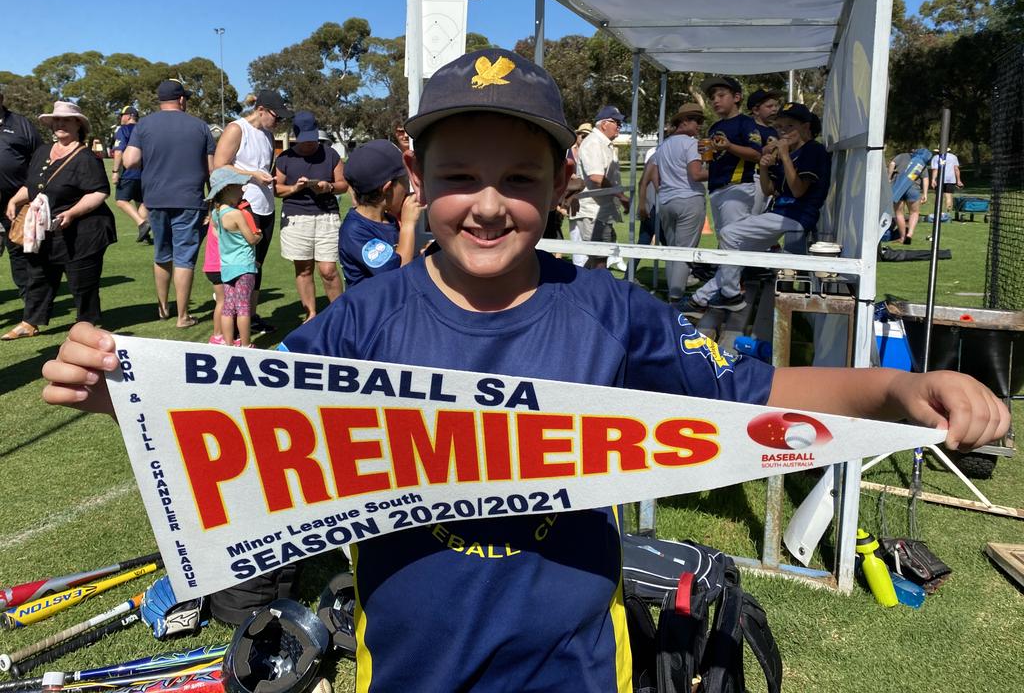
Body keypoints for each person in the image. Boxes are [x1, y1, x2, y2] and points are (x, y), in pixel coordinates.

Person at [39, 48, 1010, 693]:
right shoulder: (364, 321)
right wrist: (119, 395)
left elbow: (752, 395)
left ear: (562, 185)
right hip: (409, 667)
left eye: (521, 178)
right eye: (460, 176)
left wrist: (893, 391)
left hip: (578, 665)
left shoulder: (609, 309)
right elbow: (242, 427)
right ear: (417, 179)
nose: (490, 204)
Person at [701, 102, 831, 312]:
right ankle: (700, 298)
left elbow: (798, 190)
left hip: (797, 215)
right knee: (737, 252)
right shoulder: (786, 153)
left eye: (790, 126)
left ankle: (731, 295)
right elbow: (769, 189)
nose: (783, 132)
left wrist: (785, 155)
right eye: (779, 127)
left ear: (806, 128)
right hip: (780, 213)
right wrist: (763, 167)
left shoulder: (813, 150)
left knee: (729, 233)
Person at [3, 102, 115, 339]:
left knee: (82, 280)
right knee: (39, 275)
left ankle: (87, 324)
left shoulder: (86, 157)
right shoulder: (43, 151)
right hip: (47, 229)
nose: (60, 124)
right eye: (56, 120)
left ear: (78, 124)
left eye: (66, 120)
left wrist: (72, 213)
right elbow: (32, 185)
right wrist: (15, 199)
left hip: (83, 231)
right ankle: (29, 322)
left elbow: (99, 192)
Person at [124, 79, 215, 327]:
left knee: (161, 254)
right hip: (190, 199)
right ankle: (183, 315)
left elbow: (130, 160)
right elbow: (211, 169)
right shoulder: (200, 126)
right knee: (184, 256)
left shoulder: (144, 125)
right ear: (182, 99)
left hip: (155, 198)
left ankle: (163, 307)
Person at [213, 90, 293, 334]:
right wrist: (252, 175)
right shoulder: (237, 129)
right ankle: (235, 322)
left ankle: (251, 315)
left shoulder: (269, 135)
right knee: (241, 265)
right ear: (260, 110)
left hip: (265, 205)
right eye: (275, 116)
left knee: (256, 266)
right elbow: (219, 167)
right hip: (243, 206)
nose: (278, 121)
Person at [685, 76, 764, 314]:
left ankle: (718, 295)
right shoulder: (714, 127)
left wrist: (728, 147)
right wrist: (705, 153)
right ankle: (721, 294)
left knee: (732, 247)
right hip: (718, 190)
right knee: (728, 247)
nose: (715, 101)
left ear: (737, 97)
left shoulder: (745, 124)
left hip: (737, 189)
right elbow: (713, 162)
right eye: (712, 97)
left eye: (721, 95)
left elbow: (757, 155)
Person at [273, 111, 347, 320]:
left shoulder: (330, 154)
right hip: (296, 218)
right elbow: (276, 189)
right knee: (304, 269)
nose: (309, 145)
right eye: (304, 140)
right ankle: (311, 315)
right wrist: (295, 188)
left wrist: (328, 186)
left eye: (312, 139)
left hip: (326, 217)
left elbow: (343, 184)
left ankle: (338, 315)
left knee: (328, 270)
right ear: (296, 135)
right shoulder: (285, 158)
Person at [637, 103, 708, 305]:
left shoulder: (662, 146)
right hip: (689, 200)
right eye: (697, 120)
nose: (699, 125)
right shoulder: (691, 143)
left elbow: (654, 178)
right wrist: (721, 173)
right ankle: (675, 299)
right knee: (684, 252)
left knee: (671, 250)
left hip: (667, 202)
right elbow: (696, 174)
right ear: (684, 122)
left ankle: (673, 294)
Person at [338, 139, 422, 288]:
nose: (408, 190)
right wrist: (408, 226)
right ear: (388, 188)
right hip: (372, 310)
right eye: (405, 182)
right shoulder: (355, 232)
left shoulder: (387, 219)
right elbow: (397, 277)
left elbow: (398, 256)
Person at [207, 168, 260, 348]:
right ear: (228, 189)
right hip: (244, 266)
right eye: (239, 186)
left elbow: (216, 233)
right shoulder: (236, 214)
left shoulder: (215, 214)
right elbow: (251, 238)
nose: (242, 190)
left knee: (228, 307)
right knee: (243, 307)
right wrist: (258, 236)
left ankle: (229, 344)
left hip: (227, 267)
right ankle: (245, 345)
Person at [0, 87, 43, 296]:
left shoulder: (20, 124)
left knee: (19, 249)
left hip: (16, 199)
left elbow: (40, 157)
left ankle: (30, 303)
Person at [577, 105, 627, 269]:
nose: (619, 127)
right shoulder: (593, 143)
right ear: (604, 124)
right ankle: (599, 291)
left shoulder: (603, 144)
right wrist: (621, 196)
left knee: (599, 257)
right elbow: (596, 177)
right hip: (593, 212)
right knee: (599, 258)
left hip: (603, 211)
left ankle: (584, 289)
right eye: (616, 123)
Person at [110, 106, 150, 243]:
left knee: (121, 201)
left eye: (122, 115)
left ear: (129, 116)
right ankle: (145, 234)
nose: (121, 118)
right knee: (141, 202)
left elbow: (119, 152)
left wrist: (115, 171)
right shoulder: (144, 130)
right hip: (145, 173)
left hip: (129, 173)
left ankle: (142, 223)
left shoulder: (123, 130)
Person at [565, 122, 592, 267]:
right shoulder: (569, 151)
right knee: (575, 234)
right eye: (582, 135)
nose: (584, 137)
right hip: (569, 197)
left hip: (584, 200)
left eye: (588, 135)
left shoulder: (588, 151)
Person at [888, 148, 927, 244]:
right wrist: (925, 193)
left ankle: (902, 237)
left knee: (899, 213)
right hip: (913, 188)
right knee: (914, 212)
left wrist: (889, 177)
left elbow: (892, 164)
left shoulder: (901, 156)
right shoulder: (921, 162)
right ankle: (909, 235)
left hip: (898, 188)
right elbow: (925, 178)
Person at [930, 148, 962, 217]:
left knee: (939, 196)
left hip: (940, 179)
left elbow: (935, 169)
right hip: (951, 179)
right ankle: (948, 214)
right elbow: (956, 169)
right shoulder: (953, 157)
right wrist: (958, 180)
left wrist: (933, 179)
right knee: (948, 196)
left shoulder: (936, 157)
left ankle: (938, 213)